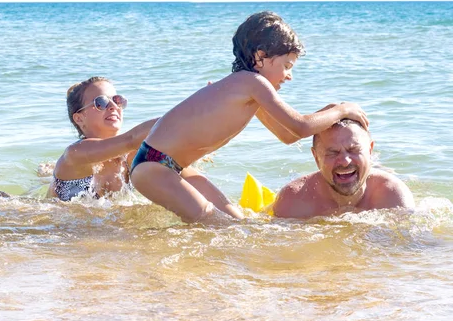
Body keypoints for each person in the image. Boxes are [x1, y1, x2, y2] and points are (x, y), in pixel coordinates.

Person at [130, 11, 369, 224]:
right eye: (287, 65)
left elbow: (287, 135)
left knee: (238, 222)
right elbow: (299, 126)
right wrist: (341, 110)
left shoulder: (248, 93)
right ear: (261, 56)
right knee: (216, 225)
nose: (289, 76)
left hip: (172, 168)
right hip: (155, 166)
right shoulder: (251, 83)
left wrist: (324, 115)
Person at [272, 118, 415, 219]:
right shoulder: (294, 201)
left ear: (370, 150)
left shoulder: (393, 196)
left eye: (353, 150)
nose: (345, 161)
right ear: (316, 157)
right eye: (332, 152)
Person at [48, 76, 157, 201]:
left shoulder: (131, 156)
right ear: (79, 118)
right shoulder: (75, 154)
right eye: (101, 102)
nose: (113, 106)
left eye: (117, 100)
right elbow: (131, 139)